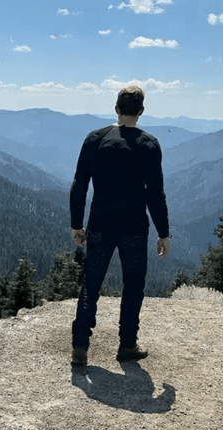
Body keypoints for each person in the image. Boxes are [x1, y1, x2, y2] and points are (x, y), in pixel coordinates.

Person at [69, 85, 170, 366]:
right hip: (135, 227)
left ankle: (80, 346)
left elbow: (80, 184)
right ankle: (127, 345)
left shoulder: (95, 139)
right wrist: (163, 232)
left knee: (91, 282)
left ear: (116, 109)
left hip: (100, 223)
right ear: (141, 111)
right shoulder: (149, 144)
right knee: (133, 285)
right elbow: (155, 193)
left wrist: (77, 224)